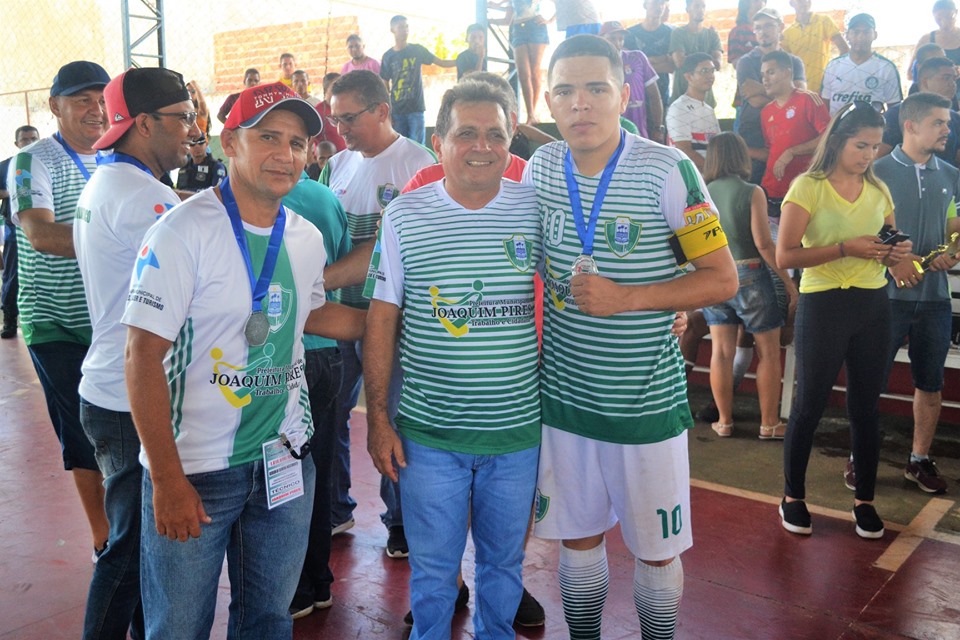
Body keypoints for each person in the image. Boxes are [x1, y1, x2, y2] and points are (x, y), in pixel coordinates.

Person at [122, 81, 364, 638]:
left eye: (299, 142)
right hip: (196, 471)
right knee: (177, 628)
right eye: (269, 137)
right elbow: (141, 357)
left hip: (284, 456)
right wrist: (166, 478)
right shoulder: (181, 231)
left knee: (268, 619)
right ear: (230, 143)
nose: (286, 154)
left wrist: (393, 324)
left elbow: (310, 314)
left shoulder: (302, 236)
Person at [525, 34, 737, 639]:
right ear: (549, 98)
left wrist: (633, 300)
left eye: (596, 88)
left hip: (645, 403)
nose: (580, 104)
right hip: (565, 401)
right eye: (565, 91)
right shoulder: (540, 168)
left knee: (656, 551)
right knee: (578, 541)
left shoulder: (669, 169)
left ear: (624, 93)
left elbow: (720, 278)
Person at [365, 78, 542, 640]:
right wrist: (377, 418)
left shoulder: (536, 209)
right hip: (428, 438)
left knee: (503, 571)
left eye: (496, 133)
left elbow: (579, 290)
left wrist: (667, 315)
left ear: (512, 139)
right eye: (467, 133)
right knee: (435, 576)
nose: (482, 146)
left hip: (517, 436)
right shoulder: (406, 216)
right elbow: (381, 319)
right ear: (439, 142)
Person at [73, 66, 199, 640]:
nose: (192, 133)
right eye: (183, 119)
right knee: (129, 551)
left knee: (144, 548)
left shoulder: (104, 182)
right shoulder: (146, 198)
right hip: (130, 398)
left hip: (106, 386)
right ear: (145, 124)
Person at [776, 102, 912, 539]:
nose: (869, 154)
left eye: (875, 145)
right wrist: (844, 248)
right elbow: (786, 255)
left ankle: (864, 501)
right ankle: (793, 496)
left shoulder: (879, 190)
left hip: (873, 304)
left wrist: (897, 253)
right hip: (824, 303)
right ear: (836, 140)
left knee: (866, 408)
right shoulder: (808, 186)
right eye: (860, 145)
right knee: (809, 404)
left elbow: (890, 241)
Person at [322, 69, 437, 556]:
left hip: (394, 326)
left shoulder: (419, 163)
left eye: (349, 118)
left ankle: (402, 522)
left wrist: (315, 284)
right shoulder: (337, 165)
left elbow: (395, 251)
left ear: (383, 110)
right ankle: (334, 509)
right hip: (338, 320)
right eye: (335, 119)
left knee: (394, 421)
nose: (341, 129)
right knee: (330, 416)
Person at [8, 60, 111, 560]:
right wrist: (125, 238)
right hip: (56, 325)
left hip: (113, 323)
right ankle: (103, 539)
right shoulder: (33, 160)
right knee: (83, 431)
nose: (95, 110)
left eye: (101, 98)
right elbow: (42, 234)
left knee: (126, 427)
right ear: (55, 107)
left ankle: (127, 523)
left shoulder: (115, 156)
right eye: (82, 100)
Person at [874, 92, 960, 496]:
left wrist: (952, 253)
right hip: (884, 298)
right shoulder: (876, 173)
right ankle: (862, 456)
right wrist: (894, 261)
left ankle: (919, 459)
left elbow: (955, 232)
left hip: (934, 300)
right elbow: (862, 227)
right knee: (869, 379)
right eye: (939, 122)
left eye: (947, 122)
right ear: (911, 126)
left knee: (931, 382)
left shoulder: (951, 174)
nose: (947, 129)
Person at [281, 168, 353, 619]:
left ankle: (294, 587)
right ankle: (318, 580)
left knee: (280, 477)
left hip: (285, 355)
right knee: (318, 471)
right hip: (327, 354)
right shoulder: (325, 198)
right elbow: (342, 265)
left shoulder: (251, 205)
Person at [703, 132, 797, 439]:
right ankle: (769, 423)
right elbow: (763, 243)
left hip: (714, 275)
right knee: (768, 352)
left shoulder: (700, 192)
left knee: (720, 351)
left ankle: (725, 421)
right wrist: (788, 283)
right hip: (751, 273)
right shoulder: (752, 191)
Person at [736, 7, 807, 186]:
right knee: (752, 191)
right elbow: (754, 100)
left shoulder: (794, 61)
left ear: (780, 27)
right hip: (754, 134)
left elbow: (799, 99)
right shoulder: (746, 61)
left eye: (768, 26)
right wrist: (784, 95)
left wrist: (761, 89)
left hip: (788, 133)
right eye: (758, 27)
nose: (762, 32)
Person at [759, 50, 830, 209]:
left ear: (787, 73)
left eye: (771, 72)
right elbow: (770, 150)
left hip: (804, 189)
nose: (765, 79)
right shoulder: (766, 112)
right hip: (772, 190)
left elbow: (829, 136)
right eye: (763, 75)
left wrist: (792, 151)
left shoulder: (807, 99)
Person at [380, 15, 456, 144]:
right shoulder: (388, 56)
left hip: (416, 108)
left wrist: (463, 60)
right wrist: (389, 112)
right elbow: (384, 85)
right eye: (400, 27)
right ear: (392, 30)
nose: (405, 30)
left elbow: (441, 62)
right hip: (397, 110)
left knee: (418, 146)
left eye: (406, 26)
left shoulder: (417, 50)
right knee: (399, 146)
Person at [880, 57, 960, 164]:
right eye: (946, 78)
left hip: (945, 178)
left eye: (954, 79)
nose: (952, 84)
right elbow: (876, 158)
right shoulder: (896, 114)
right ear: (925, 82)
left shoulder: (954, 118)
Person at [0, 125, 40, 339]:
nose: (29, 142)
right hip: (15, 229)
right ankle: (9, 320)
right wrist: (11, 192)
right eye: (24, 139)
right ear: (17, 144)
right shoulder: (7, 166)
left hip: (44, 227)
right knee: (12, 275)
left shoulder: (45, 163)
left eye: (33, 138)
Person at [821, 14, 902, 116]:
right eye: (856, 32)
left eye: (866, 32)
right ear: (847, 35)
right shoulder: (833, 66)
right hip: (837, 130)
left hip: (871, 129)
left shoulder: (886, 68)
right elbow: (824, 105)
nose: (861, 37)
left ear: (875, 35)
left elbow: (895, 108)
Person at [600, 21, 663, 142]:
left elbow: (654, 95)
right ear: (601, 39)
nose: (617, 42)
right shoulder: (594, 65)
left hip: (639, 131)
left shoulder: (637, 58)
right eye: (612, 38)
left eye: (621, 38)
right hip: (608, 135)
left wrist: (658, 128)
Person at [667, 52, 721, 171]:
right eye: (704, 71)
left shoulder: (709, 110)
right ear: (688, 77)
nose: (710, 76)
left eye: (712, 71)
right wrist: (714, 172)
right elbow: (683, 150)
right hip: (690, 182)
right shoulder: (679, 108)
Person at [781, 0, 849, 95]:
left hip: (825, 89)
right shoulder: (787, 34)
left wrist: (836, 75)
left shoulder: (824, 21)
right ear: (791, 3)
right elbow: (784, 65)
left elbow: (844, 49)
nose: (804, 2)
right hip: (800, 91)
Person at [625, 0, 675, 121]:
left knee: (659, 132)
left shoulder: (670, 32)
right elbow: (628, 67)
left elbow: (672, 67)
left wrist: (642, 65)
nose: (659, 7)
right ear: (645, 4)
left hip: (662, 91)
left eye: (662, 3)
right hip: (636, 94)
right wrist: (662, 59)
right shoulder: (631, 33)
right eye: (655, 2)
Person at [669, 0, 723, 108]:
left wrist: (689, 57)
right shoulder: (678, 33)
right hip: (681, 96)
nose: (701, 10)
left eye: (703, 6)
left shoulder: (712, 34)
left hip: (706, 99)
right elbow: (680, 62)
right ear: (688, 9)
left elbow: (717, 64)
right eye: (697, 6)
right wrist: (707, 58)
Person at [911, 0, 960, 74]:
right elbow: (911, 73)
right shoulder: (926, 40)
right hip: (937, 85)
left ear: (956, 12)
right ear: (933, 16)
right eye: (939, 19)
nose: (945, 23)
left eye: (949, 17)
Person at [315, 72, 347, 153]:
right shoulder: (317, 111)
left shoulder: (346, 108)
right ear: (326, 89)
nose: (339, 90)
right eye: (335, 86)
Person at [727, 0, 765, 67]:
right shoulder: (737, 32)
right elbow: (736, 63)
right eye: (756, 1)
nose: (761, 3)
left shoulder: (768, 31)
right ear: (745, 5)